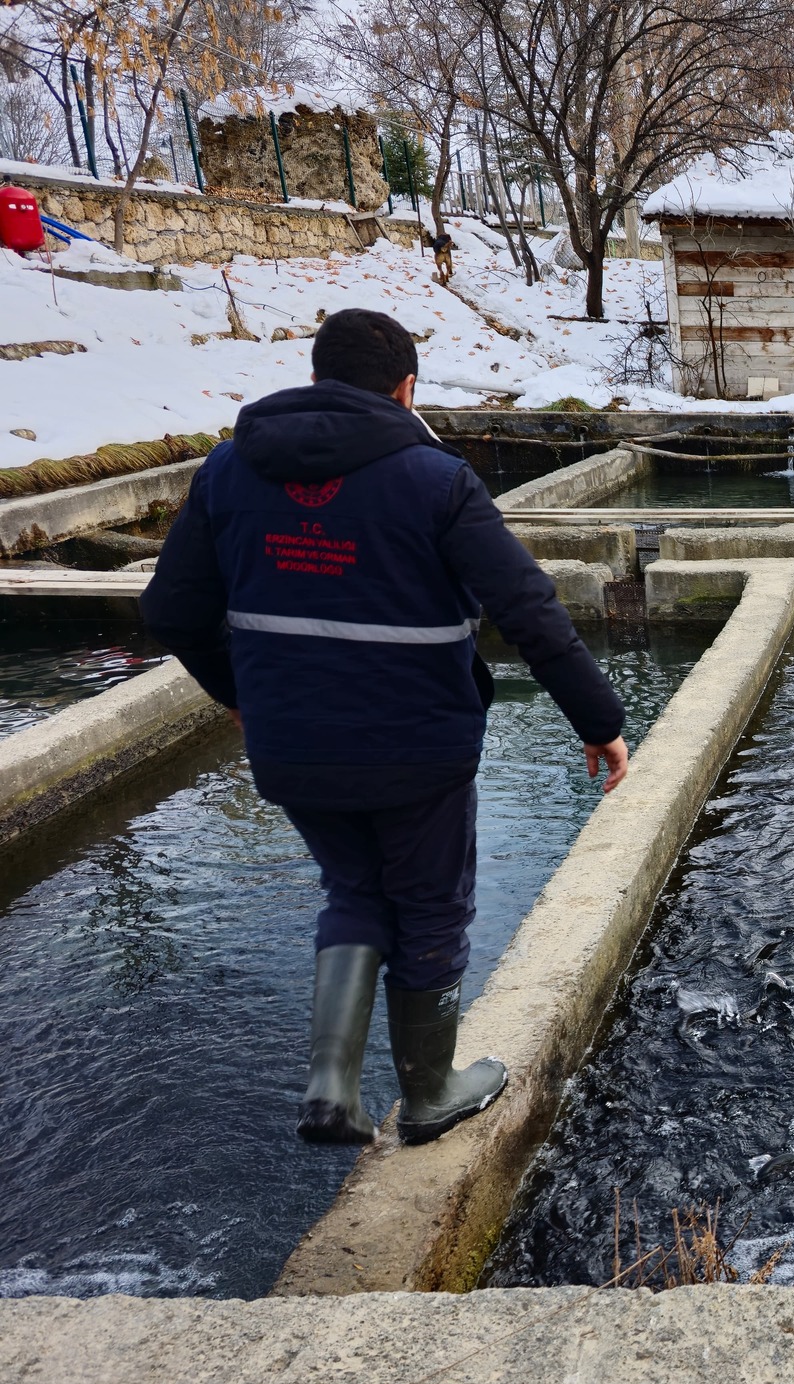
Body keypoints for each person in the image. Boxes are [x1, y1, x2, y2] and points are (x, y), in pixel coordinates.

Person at [140, 308, 629, 1147]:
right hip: (415, 744)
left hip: (293, 745)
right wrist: (600, 720)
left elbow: (173, 612)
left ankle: (330, 1086)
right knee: (431, 907)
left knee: (355, 890)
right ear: (407, 389)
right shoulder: (435, 480)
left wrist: (242, 694)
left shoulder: (228, 471)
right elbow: (527, 609)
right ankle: (430, 1091)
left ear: (319, 376)